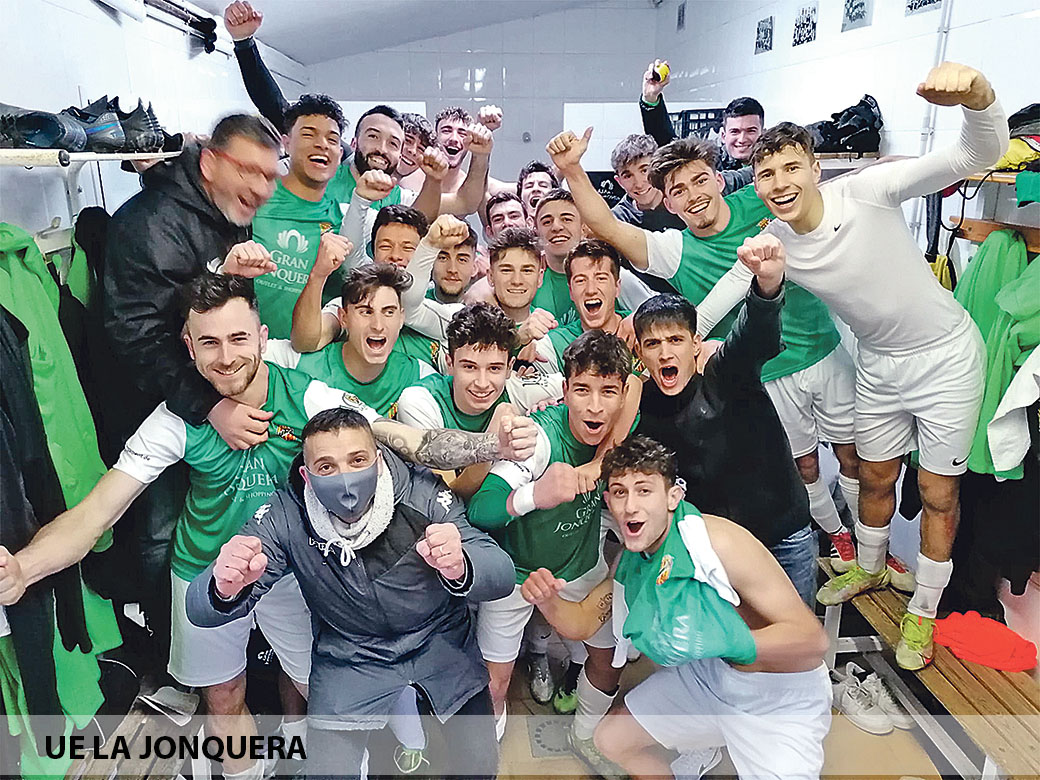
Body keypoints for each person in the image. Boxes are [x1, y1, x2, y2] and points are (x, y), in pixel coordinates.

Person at [0, 273, 538, 780]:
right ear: (189, 348)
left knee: (320, 688)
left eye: (239, 338)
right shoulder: (174, 420)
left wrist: (490, 445)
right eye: (209, 343)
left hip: (297, 568)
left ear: (262, 337)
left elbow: (410, 443)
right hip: (209, 567)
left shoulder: (310, 397)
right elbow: (94, 515)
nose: (226, 356)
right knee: (223, 698)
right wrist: (23, 569)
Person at [735, 62, 1008, 669]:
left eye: (791, 167)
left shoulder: (866, 190)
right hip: (879, 367)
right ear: (756, 184)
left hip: (946, 359)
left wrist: (980, 98)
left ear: (815, 168)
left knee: (937, 491)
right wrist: (666, 345)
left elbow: (976, 154)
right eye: (765, 172)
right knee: (874, 476)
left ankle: (923, 612)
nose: (779, 182)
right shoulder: (776, 241)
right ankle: (870, 567)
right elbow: (723, 298)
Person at [547, 127, 862, 576]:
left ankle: (871, 551)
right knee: (803, 465)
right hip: (760, 374)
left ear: (718, 179)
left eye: (699, 181)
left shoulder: (763, 200)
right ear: (668, 203)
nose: (693, 195)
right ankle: (839, 537)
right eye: (678, 190)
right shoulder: (674, 250)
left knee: (857, 459)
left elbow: (837, 190)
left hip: (820, 350)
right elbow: (609, 227)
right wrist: (573, 170)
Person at [185, 407, 516, 780]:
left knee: (479, 767)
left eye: (357, 460)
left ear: (378, 459)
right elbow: (199, 609)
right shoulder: (286, 513)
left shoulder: (420, 492)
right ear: (307, 476)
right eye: (326, 466)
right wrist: (222, 587)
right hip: (351, 656)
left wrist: (461, 565)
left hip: (441, 644)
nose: (345, 478)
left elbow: (501, 573)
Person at [521, 435, 831, 779]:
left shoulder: (720, 543)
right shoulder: (633, 563)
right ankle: (701, 748)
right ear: (608, 501)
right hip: (708, 678)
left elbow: (812, 642)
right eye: (620, 492)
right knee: (612, 740)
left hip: (777, 696)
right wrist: (547, 600)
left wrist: (728, 642)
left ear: (673, 496)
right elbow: (581, 623)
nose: (630, 506)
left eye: (644, 490)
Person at [103, 113, 283, 654]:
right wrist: (212, 407)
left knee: (214, 521)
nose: (261, 188)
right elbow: (138, 338)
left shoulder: (223, 211)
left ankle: (234, 636)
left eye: (269, 175)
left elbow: (214, 310)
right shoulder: (150, 226)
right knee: (161, 533)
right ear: (208, 162)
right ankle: (171, 652)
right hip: (163, 407)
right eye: (249, 170)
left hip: (210, 401)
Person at [467, 331, 632, 774]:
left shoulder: (623, 433)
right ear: (564, 390)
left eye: (607, 391)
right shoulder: (539, 439)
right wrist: (534, 495)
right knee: (494, 685)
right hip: (517, 575)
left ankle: (585, 735)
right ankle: (487, 757)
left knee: (609, 659)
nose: (594, 406)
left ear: (622, 395)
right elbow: (481, 509)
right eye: (582, 390)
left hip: (581, 564)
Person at [631, 248, 818, 604]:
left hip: (782, 541)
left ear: (695, 344)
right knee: (731, 641)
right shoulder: (639, 408)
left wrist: (767, 285)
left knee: (796, 639)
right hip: (715, 553)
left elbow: (751, 337)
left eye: (675, 340)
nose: (665, 353)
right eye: (653, 344)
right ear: (640, 353)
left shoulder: (728, 375)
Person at [398, 303, 563, 498]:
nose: (482, 383)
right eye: (469, 367)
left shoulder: (517, 390)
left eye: (494, 369)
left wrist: (556, 408)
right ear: (450, 364)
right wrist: (493, 442)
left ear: (509, 367)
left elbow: (580, 389)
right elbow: (444, 498)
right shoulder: (420, 402)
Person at [264, 264, 435, 418]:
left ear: (401, 318)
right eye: (366, 312)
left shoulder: (420, 376)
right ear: (343, 317)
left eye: (389, 312)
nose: (378, 325)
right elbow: (249, 357)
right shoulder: (297, 362)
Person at [247, 93, 351, 338]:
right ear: (286, 143)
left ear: (339, 153)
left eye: (332, 139)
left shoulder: (343, 220)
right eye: (308, 134)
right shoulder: (254, 198)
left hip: (302, 355)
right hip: (243, 349)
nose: (322, 144)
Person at [639, 58, 764, 172]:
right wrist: (651, 99)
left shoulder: (772, 163)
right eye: (735, 132)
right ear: (723, 136)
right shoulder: (709, 162)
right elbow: (669, 149)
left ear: (763, 134)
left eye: (751, 131)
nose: (742, 139)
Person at [533, 239, 632, 373]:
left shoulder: (640, 328)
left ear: (617, 287)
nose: (591, 290)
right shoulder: (554, 345)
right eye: (580, 280)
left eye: (601, 278)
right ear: (571, 291)